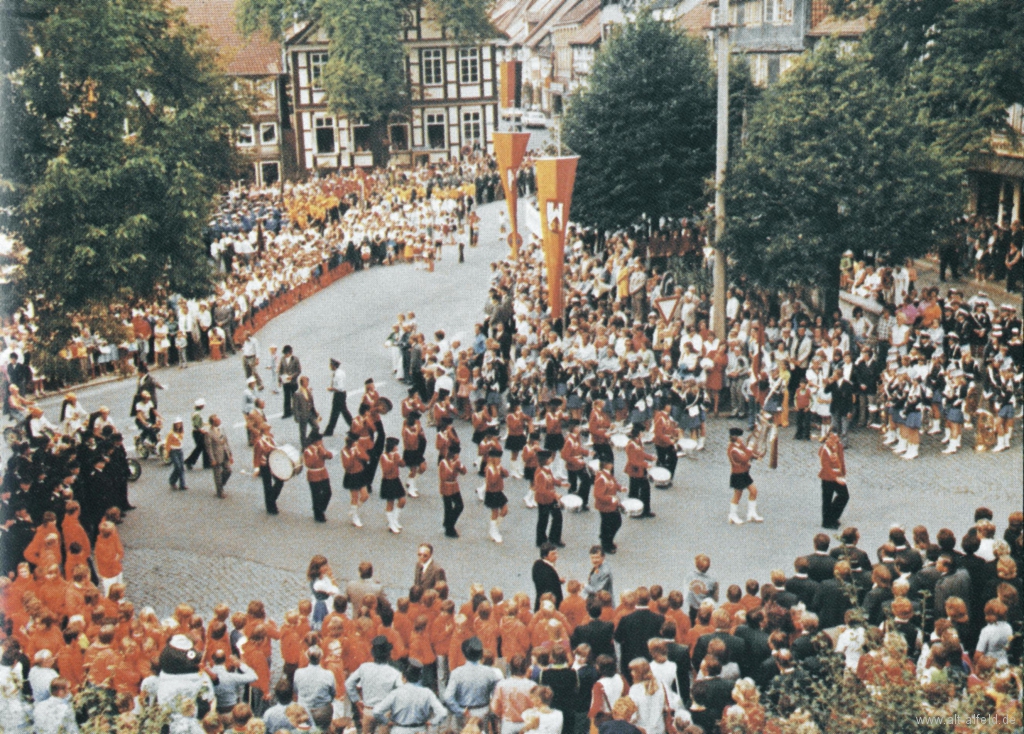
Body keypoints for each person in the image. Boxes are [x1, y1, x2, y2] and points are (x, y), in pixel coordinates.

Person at [371, 658, 448, 734]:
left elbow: (376, 711)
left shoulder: (395, 693)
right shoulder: (427, 693)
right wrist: (432, 722)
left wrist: (387, 722)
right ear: (419, 677)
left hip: (399, 730)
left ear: (403, 677)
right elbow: (443, 713)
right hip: (420, 729)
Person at [346, 636, 404, 731]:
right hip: (384, 712)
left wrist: (356, 700)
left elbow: (349, 683)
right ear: (388, 654)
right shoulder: (394, 673)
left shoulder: (364, 668)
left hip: (368, 710)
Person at [443, 637, 502, 729]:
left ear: (465, 654)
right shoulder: (490, 672)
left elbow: (447, 697)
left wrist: (459, 710)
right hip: (483, 711)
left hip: (464, 713)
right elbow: (497, 693)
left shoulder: (457, 673)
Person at [294, 645, 337, 730]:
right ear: (321, 658)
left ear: (307, 658)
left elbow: (296, 691)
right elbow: (333, 693)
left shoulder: (298, 673)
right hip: (322, 711)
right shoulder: (328, 674)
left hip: (304, 710)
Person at [726, 427, 762, 525]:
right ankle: (732, 515)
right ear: (735, 437)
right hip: (737, 475)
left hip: (745, 473)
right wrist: (750, 448)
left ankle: (751, 513)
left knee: (754, 491)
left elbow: (747, 452)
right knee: (737, 495)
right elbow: (744, 458)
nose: (742, 438)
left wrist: (756, 456)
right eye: (740, 437)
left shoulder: (739, 445)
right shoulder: (732, 450)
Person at [534, 450, 566, 548]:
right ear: (545, 460)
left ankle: (554, 538)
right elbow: (541, 490)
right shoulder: (540, 473)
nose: (552, 459)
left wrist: (560, 484)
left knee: (558, 517)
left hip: (551, 498)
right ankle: (541, 540)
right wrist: (554, 495)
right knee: (543, 520)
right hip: (543, 500)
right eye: (550, 458)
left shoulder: (547, 469)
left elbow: (551, 479)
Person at [818, 429, 848, 529]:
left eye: (836, 437)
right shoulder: (824, 449)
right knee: (827, 499)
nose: (834, 440)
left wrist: (843, 472)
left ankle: (833, 517)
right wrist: (835, 478)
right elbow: (825, 466)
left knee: (844, 496)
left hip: (838, 475)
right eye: (832, 437)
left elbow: (841, 459)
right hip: (827, 477)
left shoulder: (839, 446)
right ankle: (827, 522)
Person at [593, 458, 623, 554]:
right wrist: (611, 499)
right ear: (605, 464)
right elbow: (598, 494)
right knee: (613, 524)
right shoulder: (601, 478)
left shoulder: (608, 474)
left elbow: (613, 482)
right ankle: (606, 544)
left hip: (611, 505)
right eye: (609, 463)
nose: (612, 464)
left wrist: (620, 488)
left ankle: (605, 539)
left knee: (609, 524)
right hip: (606, 506)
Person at [624, 425, 655, 518]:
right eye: (642, 432)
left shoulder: (638, 442)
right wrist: (645, 464)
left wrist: (650, 457)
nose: (643, 434)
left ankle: (645, 510)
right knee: (634, 492)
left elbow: (641, 454)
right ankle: (634, 511)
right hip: (635, 471)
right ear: (638, 433)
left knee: (645, 490)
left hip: (640, 470)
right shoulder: (631, 445)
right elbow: (633, 461)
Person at [303, 430, 334, 522]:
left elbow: (330, 456)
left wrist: (324, 453)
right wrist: (317, 454)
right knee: (316, 496)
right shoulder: (308, 450)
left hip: (323, 473)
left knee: (328, 492)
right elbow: (309, 463)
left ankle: (320, 509)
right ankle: (318, 514)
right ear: (315, 441)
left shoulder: (321, 448)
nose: (322, 441)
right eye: (320, 440)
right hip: (314, 474)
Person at [253, 424, 284, 514]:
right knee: (267, 486)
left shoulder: (270, 439)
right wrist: (256, 468)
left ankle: (271, 500)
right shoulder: (259, 442)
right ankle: (271, 507)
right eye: (268, 430)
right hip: (264, 465)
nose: (270, 431)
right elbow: (257, 456)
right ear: (264, 431)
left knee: (280, 481)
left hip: (272, 463)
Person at [439, 445, 467, 538]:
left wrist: (460, 466)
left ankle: (448, 523)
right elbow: (444, 477)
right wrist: (454, 468)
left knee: (460, 505)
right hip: (446, 486)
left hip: (454, 486)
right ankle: (449, 528)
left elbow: (464, 472)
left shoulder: (457, 462)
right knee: (448, 507)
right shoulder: (443, 463)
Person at [379, 437, 407, 533]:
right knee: (390, 503)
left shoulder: (396, 455)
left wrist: (400, 460)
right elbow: (386, 470)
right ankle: (391, 524)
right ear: (392, 447)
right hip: (388, 481)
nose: (397, 448)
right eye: (396, 446)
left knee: (402, 501)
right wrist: (393, 460)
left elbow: (403, 464)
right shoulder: (384, 457)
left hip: (396, 480)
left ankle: (395, 519)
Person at [484, 448, 510, 543]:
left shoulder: (498, 467)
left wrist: (501, 470)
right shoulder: (489, 469)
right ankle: (494, 532)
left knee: (505, 510)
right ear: (493, 458)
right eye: (498, 458)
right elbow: (492, 482)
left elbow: (506, 474)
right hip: (492, 493)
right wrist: (498, 471)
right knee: (494, 513)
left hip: (498, 492)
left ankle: (494, 528)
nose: (500, 460)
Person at [205, 414, 233, 499]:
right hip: (216, 455)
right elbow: (208, 447)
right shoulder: (209, 433)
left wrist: (230, 453)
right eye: (217, 420)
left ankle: (221, 484)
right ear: (213, 422)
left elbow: (226, 442)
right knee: (217, 474)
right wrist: (212, 459)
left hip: (225, 453)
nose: (219, 420)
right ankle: (220, 491)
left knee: (228, 470)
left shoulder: (222, 429)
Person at [323, 358, 353, 436]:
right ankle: (329, 431)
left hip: (339, 395)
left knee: (337, 413)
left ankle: (329, 431)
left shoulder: (337, 374)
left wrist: (331, 389)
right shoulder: (340, 372)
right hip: (341, 395)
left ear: (333, 366)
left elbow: (339, 388)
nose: (329, 366)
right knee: (341, 413)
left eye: (330, 365)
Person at [532, 543, 564, 610]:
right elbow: (552, 589)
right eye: (553, 554)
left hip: (540, 602)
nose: (556, 556)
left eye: (556, 553)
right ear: (545, 556)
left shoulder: (538, 564)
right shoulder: (548, 572)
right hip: (549, 606)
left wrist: (557, 580)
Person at [184, 398, 210, 470]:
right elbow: (196, 425)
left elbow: (198, 422)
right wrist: (202, 430)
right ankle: (190, 461)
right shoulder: (197, 414)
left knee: (202, 447)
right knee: (201, 447)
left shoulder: (196, 413)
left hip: (197, 432)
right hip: (198, 433)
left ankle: (206, 463)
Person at [293, 375, 319, 448]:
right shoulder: (297, 393)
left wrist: (314, 411)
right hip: (303, 415)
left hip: (310, 413)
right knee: (303, 432)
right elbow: (295, 407)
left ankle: (308, 440)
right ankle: (304, 446)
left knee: (316, 427)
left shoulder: (308, 390)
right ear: (302, 383)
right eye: (306, 382)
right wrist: (297, 417)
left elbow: (311, 402)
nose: (307, 383)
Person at [279, 345, 302, 419]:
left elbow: (298, 371)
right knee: (286, 397)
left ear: (290, 352)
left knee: (295, 396)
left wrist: (292, 376)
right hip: (285, 381)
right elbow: (280, 370)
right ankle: (287, 412)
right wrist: (280, 379)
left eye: (287, 353)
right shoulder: (282, 359)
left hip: (293, 381)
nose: (285, 355)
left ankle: (299, 411)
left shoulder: (295, 359)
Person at [166, 418, 188, 491]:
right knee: (178, 466)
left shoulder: (181, 432)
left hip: (180, 450)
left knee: (181, 467)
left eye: (180, 424)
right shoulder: (171, 434)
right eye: (177, 424)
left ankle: (182, 484)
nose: (179, 425)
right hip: (173, 451)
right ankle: (172, 480)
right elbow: (168, 444)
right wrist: (167, 453)